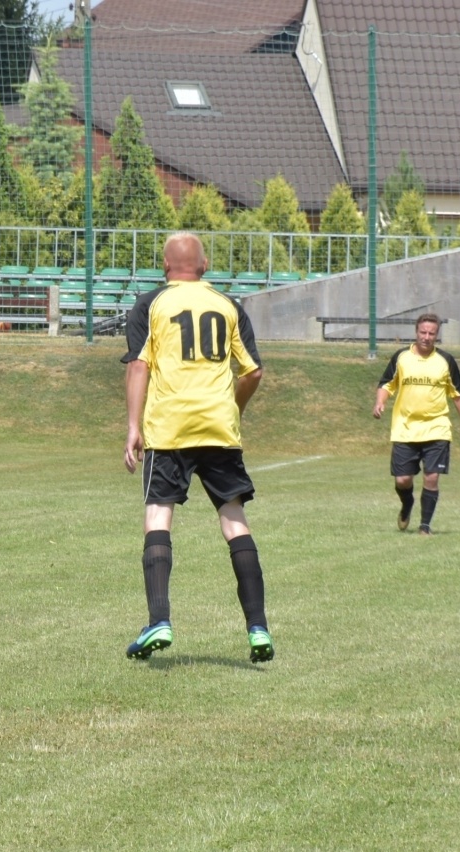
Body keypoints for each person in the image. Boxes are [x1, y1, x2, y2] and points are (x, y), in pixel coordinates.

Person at [122, 232, 272, 663]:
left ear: (165, 267)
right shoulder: (228, 305)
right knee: (235, 521)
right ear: (204, 266)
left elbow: (139, 366)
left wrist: (133, 426)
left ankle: (159, 619)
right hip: (218, 427)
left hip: (169, 427)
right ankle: (258, 628)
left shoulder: (150, 304)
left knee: (158, 516)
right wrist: (232, 410)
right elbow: (253, 372)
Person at [373, 312, 460, 535]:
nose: (427, 337)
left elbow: (457, 393)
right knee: (403, 480)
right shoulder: (401, 357)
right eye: (423, 332)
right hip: (405, 428)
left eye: (431, 333)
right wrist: (380, 402)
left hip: (436, 428)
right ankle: (407, 503)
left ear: (437, 335)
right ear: (416, 332)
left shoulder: (445, 360)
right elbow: (386, 384)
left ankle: (425, 526)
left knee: (432, 477)